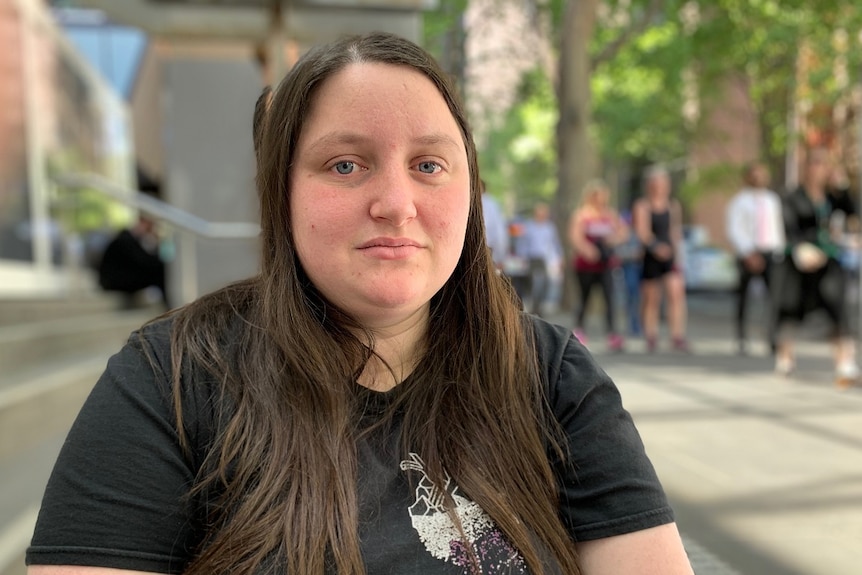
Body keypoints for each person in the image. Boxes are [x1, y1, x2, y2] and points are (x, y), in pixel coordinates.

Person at [27, 33, 693, 575]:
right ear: (281, 194)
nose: (396, 202)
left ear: (471, 192)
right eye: (345, 164)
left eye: (429, 164)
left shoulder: (554, 375)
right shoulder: (169, 380)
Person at [772, 147, 859, 388]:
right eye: (815, 164)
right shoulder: (792, 196)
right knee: (791, 310)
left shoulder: (832, 198)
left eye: (823, 165)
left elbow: (853, 211)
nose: (819, 169)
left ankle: (845, 363)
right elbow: (788, 228)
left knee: (837, 308)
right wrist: (800, 248)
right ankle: (785, 357)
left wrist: (841, 185)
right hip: (798, 260)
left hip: (827, 259)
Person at [725, 161, 785, 355]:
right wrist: (748, 252)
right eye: (755, 174)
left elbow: (777, 228)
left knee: (774, 298)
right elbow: (734, 229)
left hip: (770, 253)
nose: (759, 178)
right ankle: (742, 338)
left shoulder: (772, 200)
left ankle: (773, 338)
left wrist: (779, 250)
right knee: (744, 298)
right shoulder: (739, 201)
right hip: (748, 254)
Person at [633, 165, 690, 353]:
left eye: (663, 183)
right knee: (652, 298)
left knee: (676, 294)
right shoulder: (643, 205)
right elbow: (642, 232)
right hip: (651, 255)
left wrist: (677, 253)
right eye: (656, 183)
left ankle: (677, 336)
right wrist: (656, 247)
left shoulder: (673, 205)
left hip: (670, 256)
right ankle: (651, 335)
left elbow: (675, 231)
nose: (659, 187)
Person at [568, 179, 629, 351]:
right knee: (584, 298)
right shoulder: (582, 215)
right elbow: (575, 236)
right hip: (585, 266)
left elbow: (624, 232)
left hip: (606, 264)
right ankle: (579, 330)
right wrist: (587, 250)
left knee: (610, 298)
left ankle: (613, 334)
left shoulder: (610, 214)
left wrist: (614, 240)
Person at [97, 215, 168, 309]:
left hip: (117, 278)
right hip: (115, 281)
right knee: (159, 273)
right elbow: (145, 261)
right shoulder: (126, 241)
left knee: (159, 272)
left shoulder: (127, 239)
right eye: (149, 226)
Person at [516, 202, 564, 317]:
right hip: (532, 258)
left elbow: (554, 243)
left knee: (546, 283)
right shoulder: (528, 226)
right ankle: (533, 306)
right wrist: (522, 257)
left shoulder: (550, 227)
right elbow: (522, 243)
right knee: (536, 283)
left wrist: (559, 257)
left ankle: (540, 306)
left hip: (546, 259)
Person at [480, 179, 508, 270]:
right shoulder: (492, 205)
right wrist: (501, 257)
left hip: (480, 248)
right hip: (487, 249)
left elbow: (499, 232)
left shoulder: (488, 204)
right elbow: (499, 233)